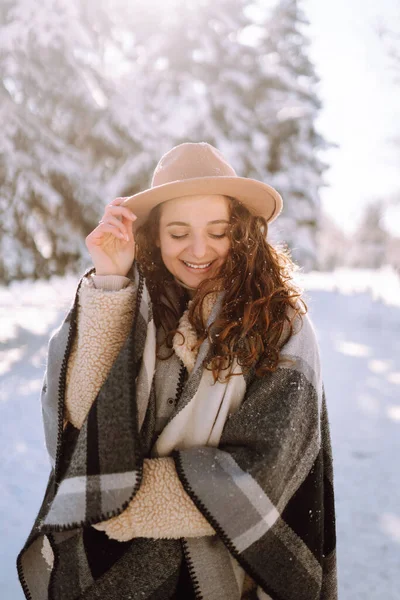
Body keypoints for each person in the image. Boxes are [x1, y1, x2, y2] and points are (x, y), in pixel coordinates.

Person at [17, 142, 338, 600]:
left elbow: (265, 471)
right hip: (118, 573)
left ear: (242, 231)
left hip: (230, 570)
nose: (199, 249)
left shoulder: (281, 323)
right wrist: (110, 281)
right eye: (179, 232)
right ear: (155, 236)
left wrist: (120, 505)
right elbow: (80, 423)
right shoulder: (128, 300)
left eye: (218, 231)